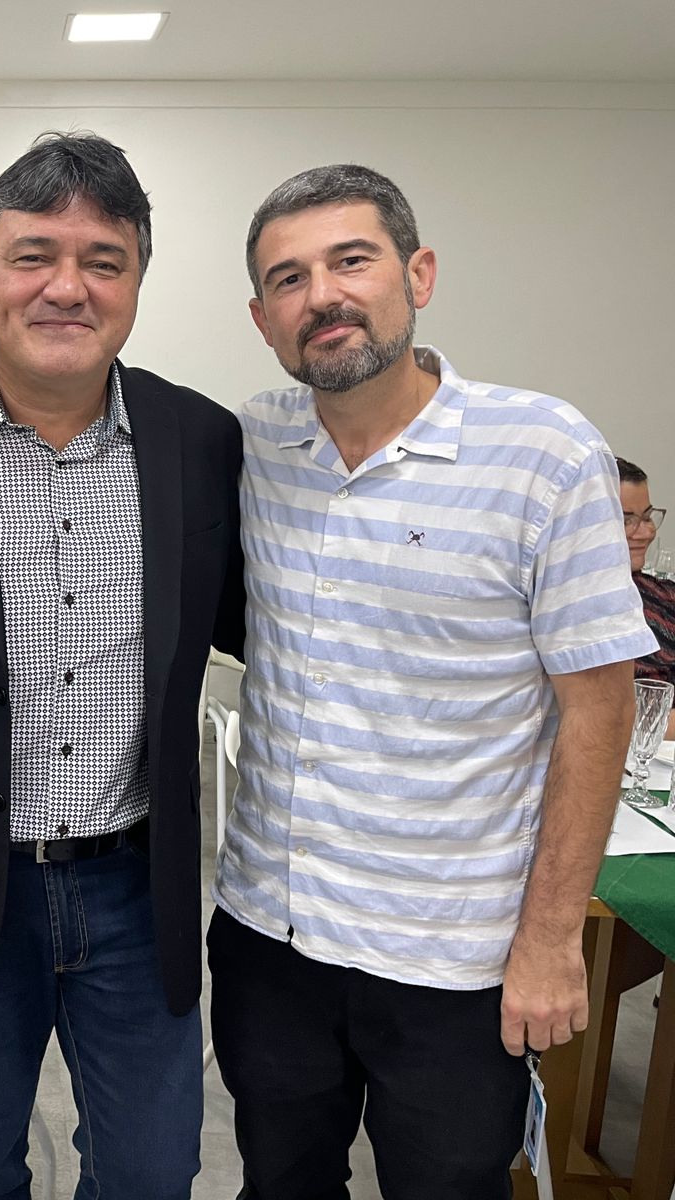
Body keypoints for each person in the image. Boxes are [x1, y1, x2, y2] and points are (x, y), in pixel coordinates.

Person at [214, 163, 655, 1199]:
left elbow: (598, 710)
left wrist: (551, 940)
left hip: (456, 957)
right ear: (262, 318)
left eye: (350, 261)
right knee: (280, 1183)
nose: (322, 294)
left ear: (417, 274)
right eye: (288, 278)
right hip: (272, 936)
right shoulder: (254, 443)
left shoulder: (544, 453)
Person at [0, 131, 245, 1199]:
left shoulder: (199, 439)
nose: (66, 287)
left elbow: (264, 624)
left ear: (136, 284)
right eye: (33, 255)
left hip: (136, 881)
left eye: (102, 261)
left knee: (152, 1170)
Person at [617, 456, 675, 684]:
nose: (646, 532)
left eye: (648, 517)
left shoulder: (664, 595)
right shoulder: (578, 610)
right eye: (626, 521)